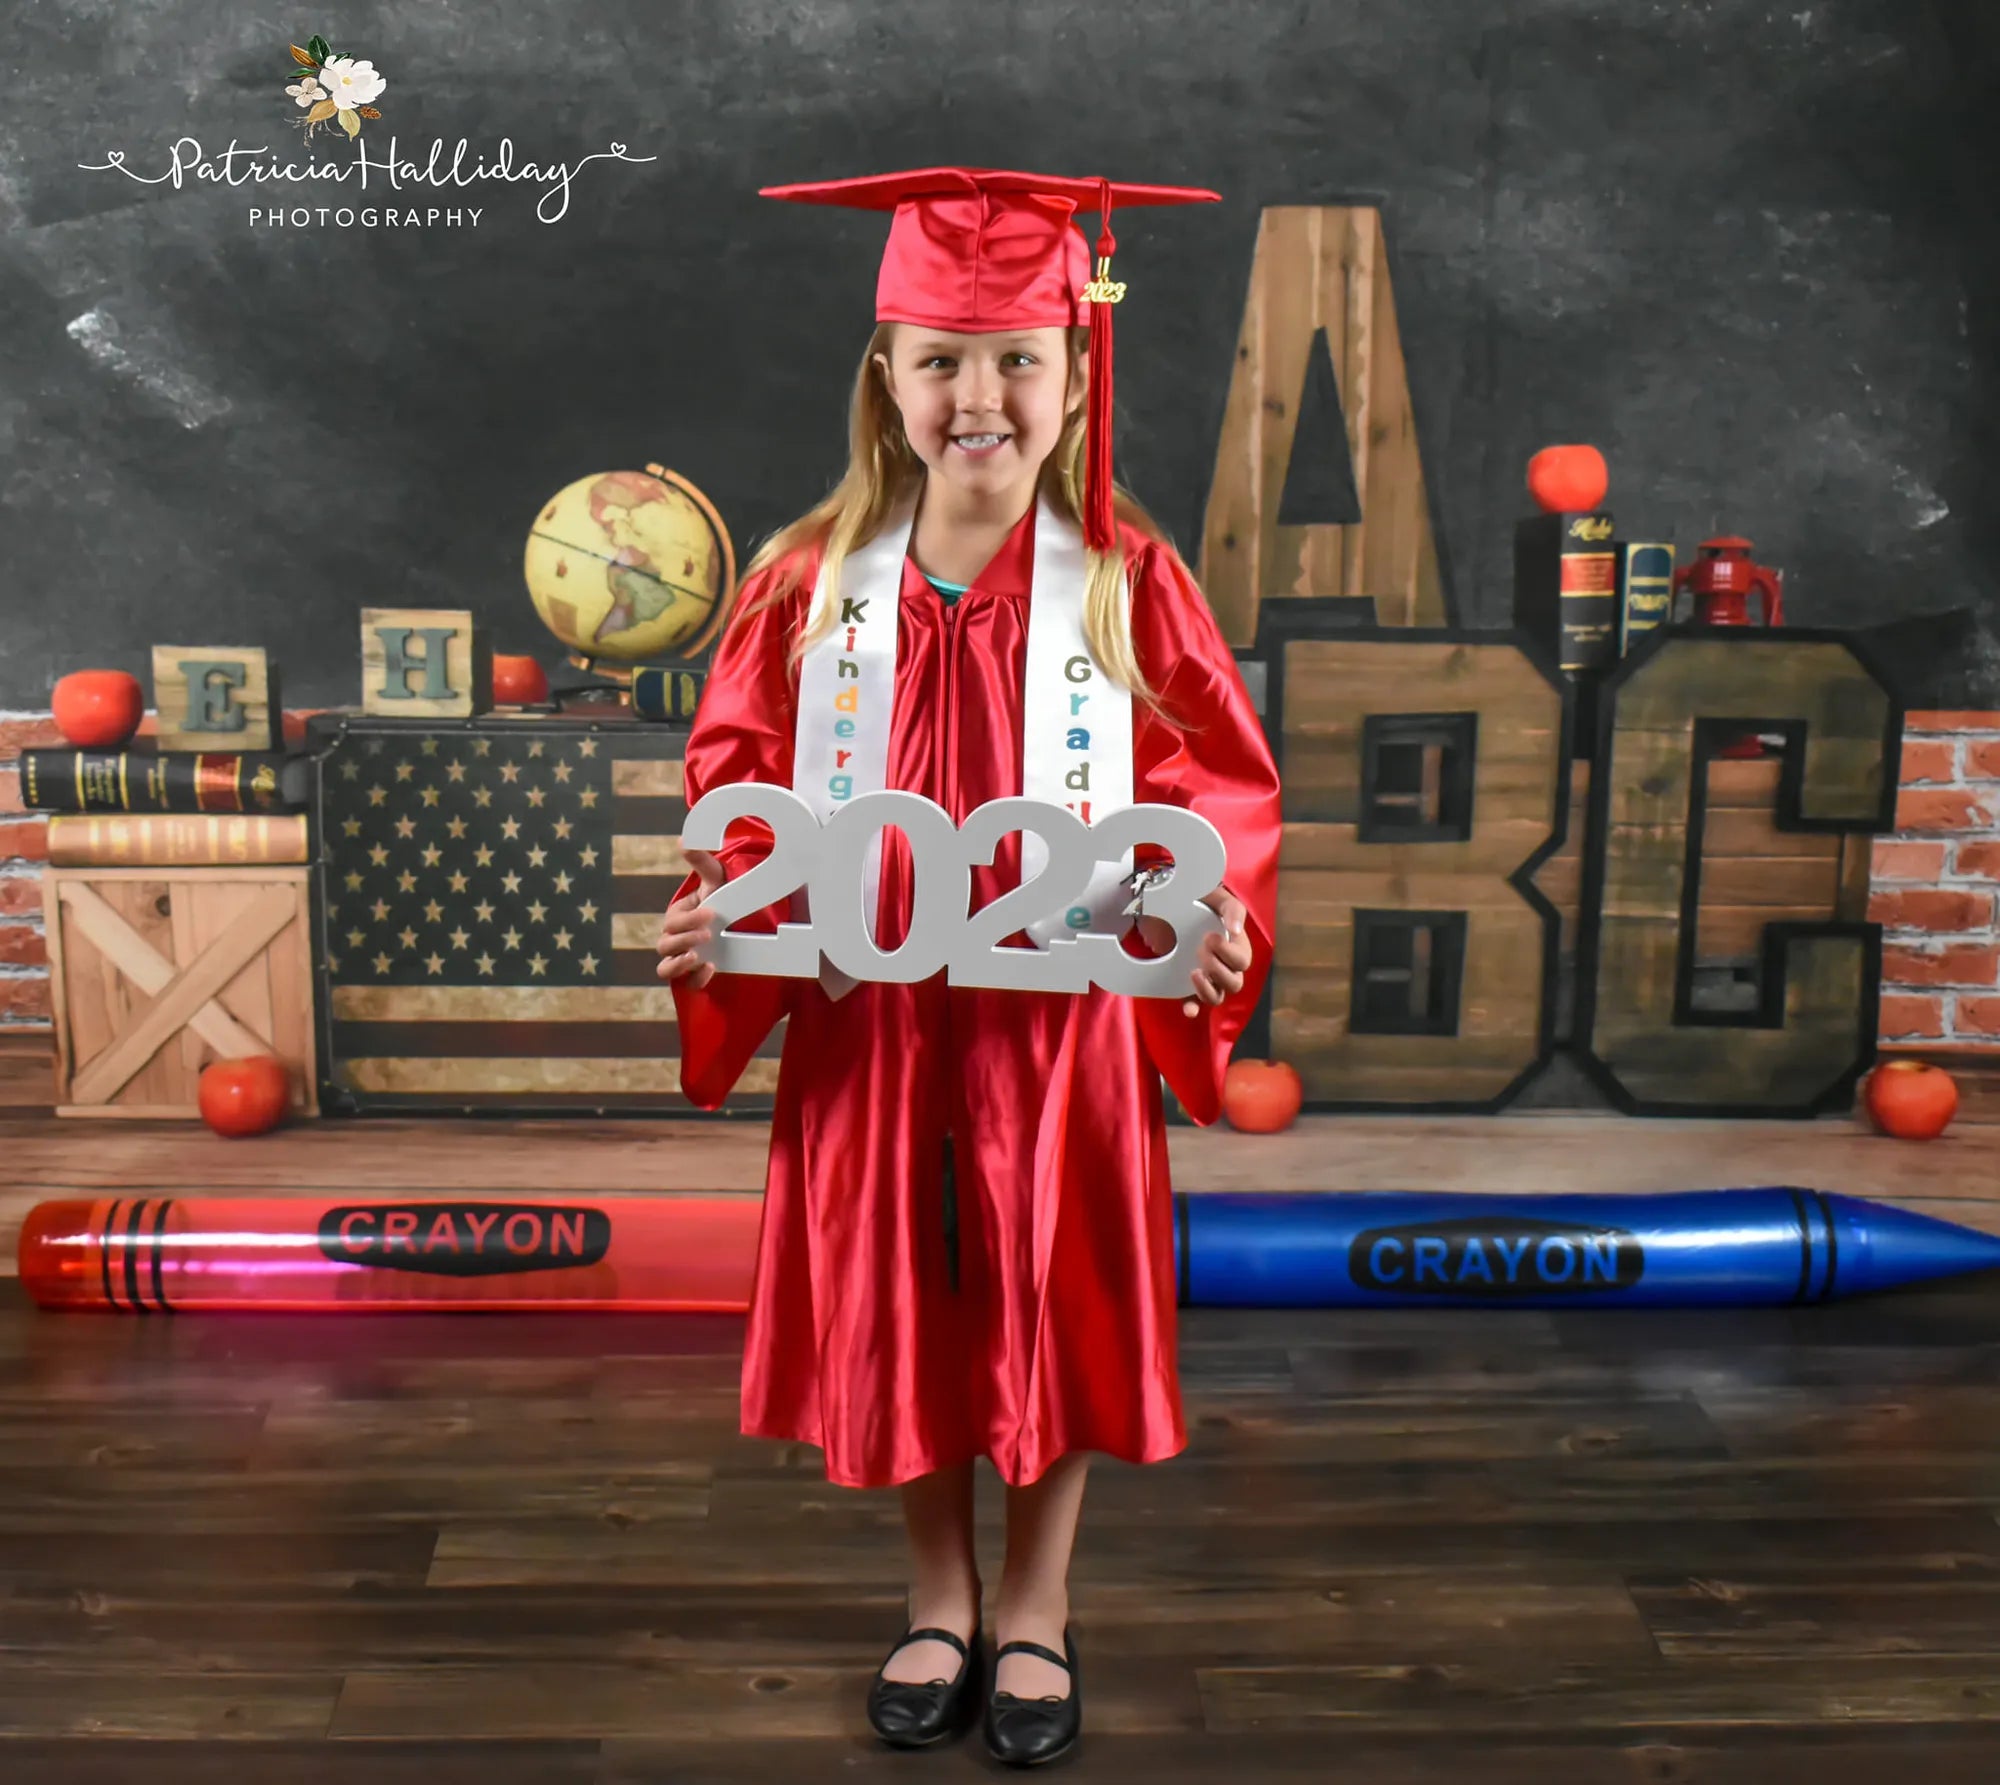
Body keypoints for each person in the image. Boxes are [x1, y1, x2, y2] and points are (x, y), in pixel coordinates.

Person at [655, 166, 1283, 1767]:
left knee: (1051, 1296)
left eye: (1017, 357)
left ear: (1077, 373)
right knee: (906, 1301)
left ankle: (1038, 1602)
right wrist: (720, 917)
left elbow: (1216, 791)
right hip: (874, 1023)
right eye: (941, 358)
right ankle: (938, 1593)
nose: (979, 395)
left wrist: (1209, 923)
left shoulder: (1127, 585)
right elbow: (741, 792)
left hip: (1056, 1035)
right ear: (887, 375)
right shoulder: (809, 586)